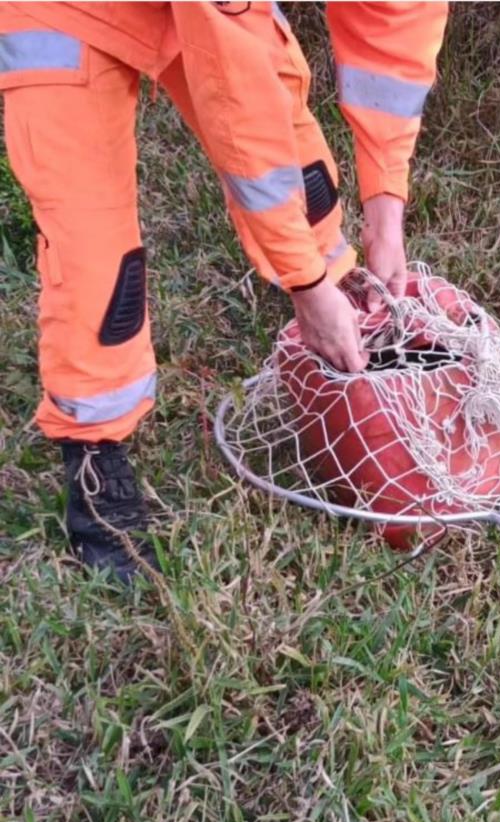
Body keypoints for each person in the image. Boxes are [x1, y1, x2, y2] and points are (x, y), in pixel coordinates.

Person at [0, 0, 448, 582]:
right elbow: (241, 113)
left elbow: (393, 33)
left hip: (204, 14)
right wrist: (306, 286)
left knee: (306, 186)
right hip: (64, 14)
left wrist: (385, 210)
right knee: (96, 262)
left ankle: (355, 353)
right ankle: (94, 457)